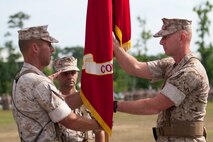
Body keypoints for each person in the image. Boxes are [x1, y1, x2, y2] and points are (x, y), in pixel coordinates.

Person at [113, 18, 209, 142]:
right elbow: (135, 67)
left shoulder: (191, 71)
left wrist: (114, 105)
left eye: (166, 37)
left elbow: (153, 106)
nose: (161, 42)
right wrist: (115, 45)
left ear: (182, 37)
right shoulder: (172, 64)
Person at [12, 25, 101, 142]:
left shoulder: (20, 78)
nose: (52, 49)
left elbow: (64, 102)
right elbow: (70, 120)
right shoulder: (38, 82)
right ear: (35, 48)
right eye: (49, 45)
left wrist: (94, 91)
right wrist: (101, 124)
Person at [53, 56, 105, 142]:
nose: (70, 76)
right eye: (65, 73)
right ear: (57, 76)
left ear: (77, 74)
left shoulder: (87, 100)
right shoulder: (51, 101)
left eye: (73, 72)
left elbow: (99, 131)